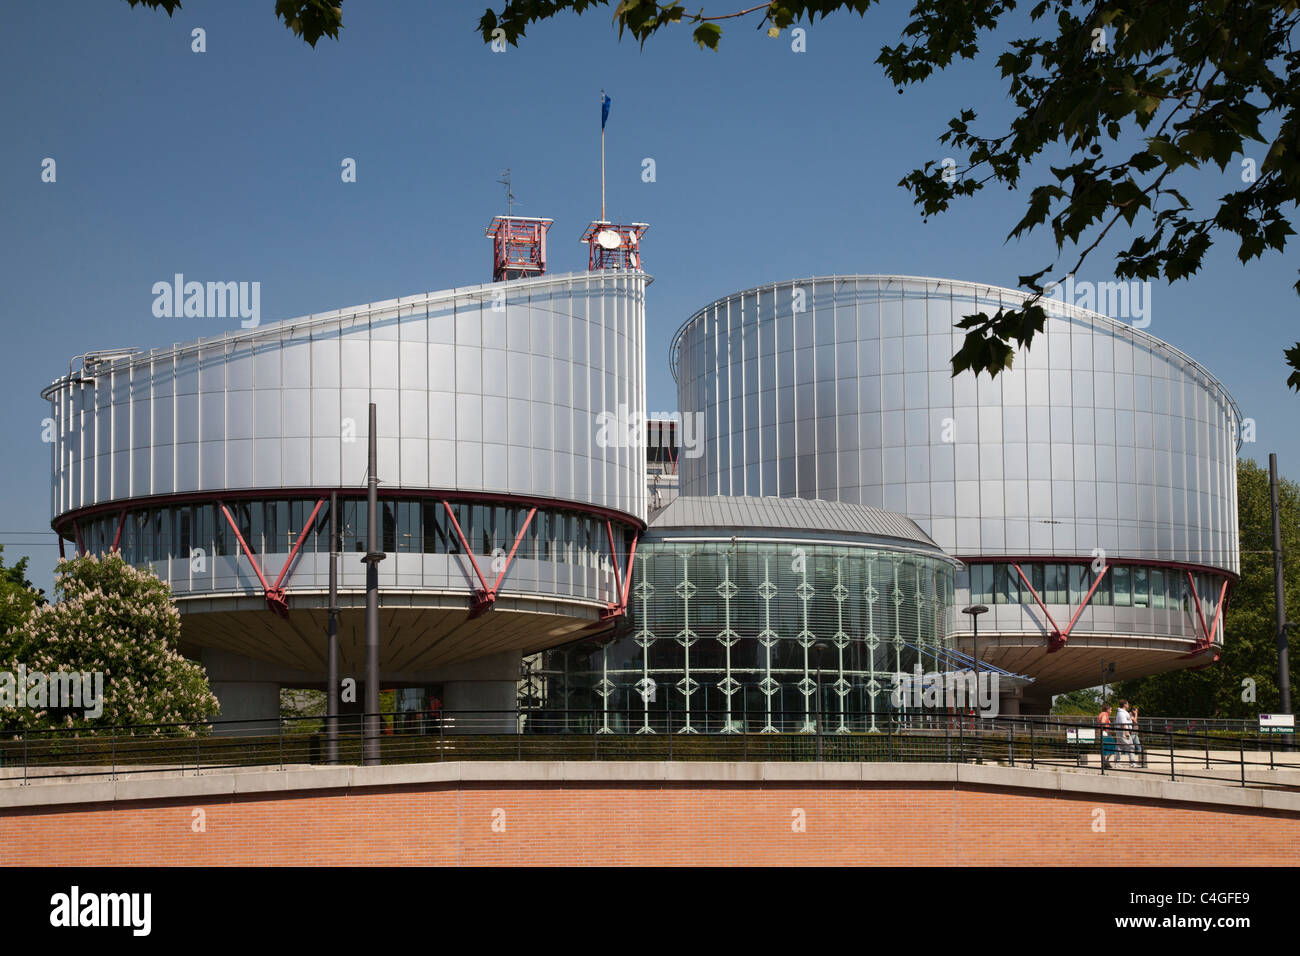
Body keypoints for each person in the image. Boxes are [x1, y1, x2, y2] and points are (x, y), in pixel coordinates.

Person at [1115, 699, 1137, 766]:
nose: (1128, 705)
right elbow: (1123, 724)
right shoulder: (1121, 713)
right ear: (1124, 705)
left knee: (1119, 747)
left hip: (1121, 731)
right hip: (1123, 731)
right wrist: (1126, 733)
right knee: (1131, 746)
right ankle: (1132, 762)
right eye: (1127, 704)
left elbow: (1128, 721)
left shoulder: (1123, 712)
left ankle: (1117, 762)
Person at [1097, 703, 1113, 769]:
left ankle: (1105, 762)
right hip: (1104, 733)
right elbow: (1103, 722)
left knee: (1105, 748)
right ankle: (1106, 761)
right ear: (1107, 709)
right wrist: (1106, 726)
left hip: (1100, 733)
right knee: (1112, 746)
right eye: (1111, 710)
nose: (1111, 711)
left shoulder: (1100, 714)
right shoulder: (1105, 714)